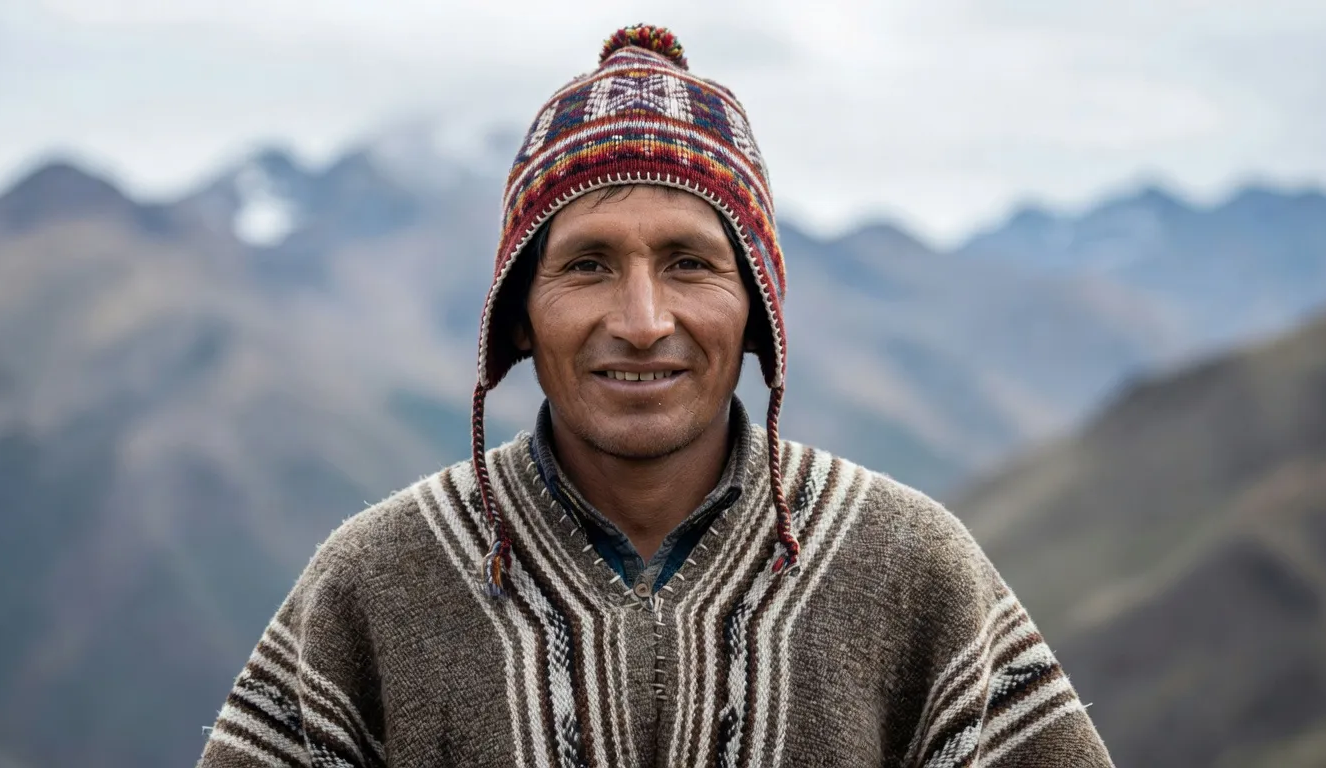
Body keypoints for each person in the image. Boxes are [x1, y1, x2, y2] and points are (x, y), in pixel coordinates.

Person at [197, 24, 1113, 767]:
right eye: (588, 265)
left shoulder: (914, 573)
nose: (641, 320)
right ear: (518, 318)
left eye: (690, 264)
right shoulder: (374, 582)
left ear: (756, 314)